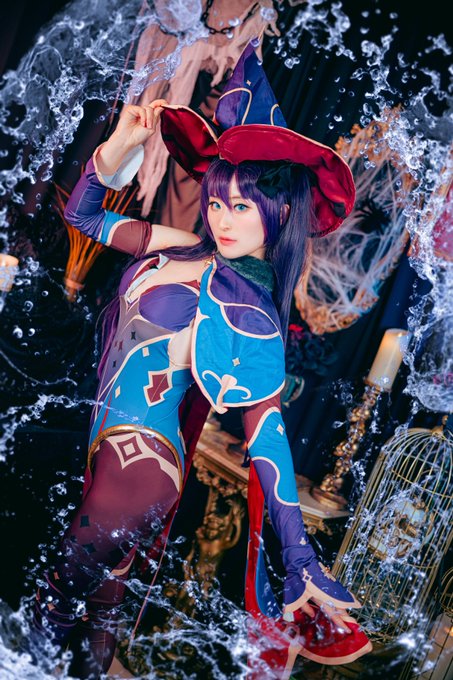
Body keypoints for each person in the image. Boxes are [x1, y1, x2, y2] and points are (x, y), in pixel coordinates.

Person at [31, 39, 372, 678]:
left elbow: (267, 437)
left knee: (46, 615)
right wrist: (116, 150)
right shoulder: (184, 243)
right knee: (97, 623)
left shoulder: (252, 315)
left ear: (280, 212)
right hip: (104, 447)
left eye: (241, 206)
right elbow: (86, 217)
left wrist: (299, 554)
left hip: (140, 470)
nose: (222, 218)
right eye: (217, 201)